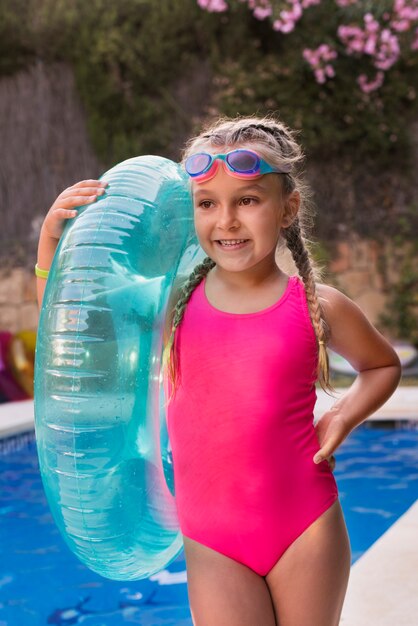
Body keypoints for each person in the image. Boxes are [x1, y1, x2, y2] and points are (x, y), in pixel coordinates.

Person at [36, 114, 402, 626]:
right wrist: (52, 246)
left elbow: (381, 365)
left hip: (306, 528)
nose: (226, 220)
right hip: (214, 544)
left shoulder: (317, 306)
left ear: (287, 208)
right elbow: (75, 326)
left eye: (247, 200)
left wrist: (341, 416)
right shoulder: (170, 308)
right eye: (208, 203)